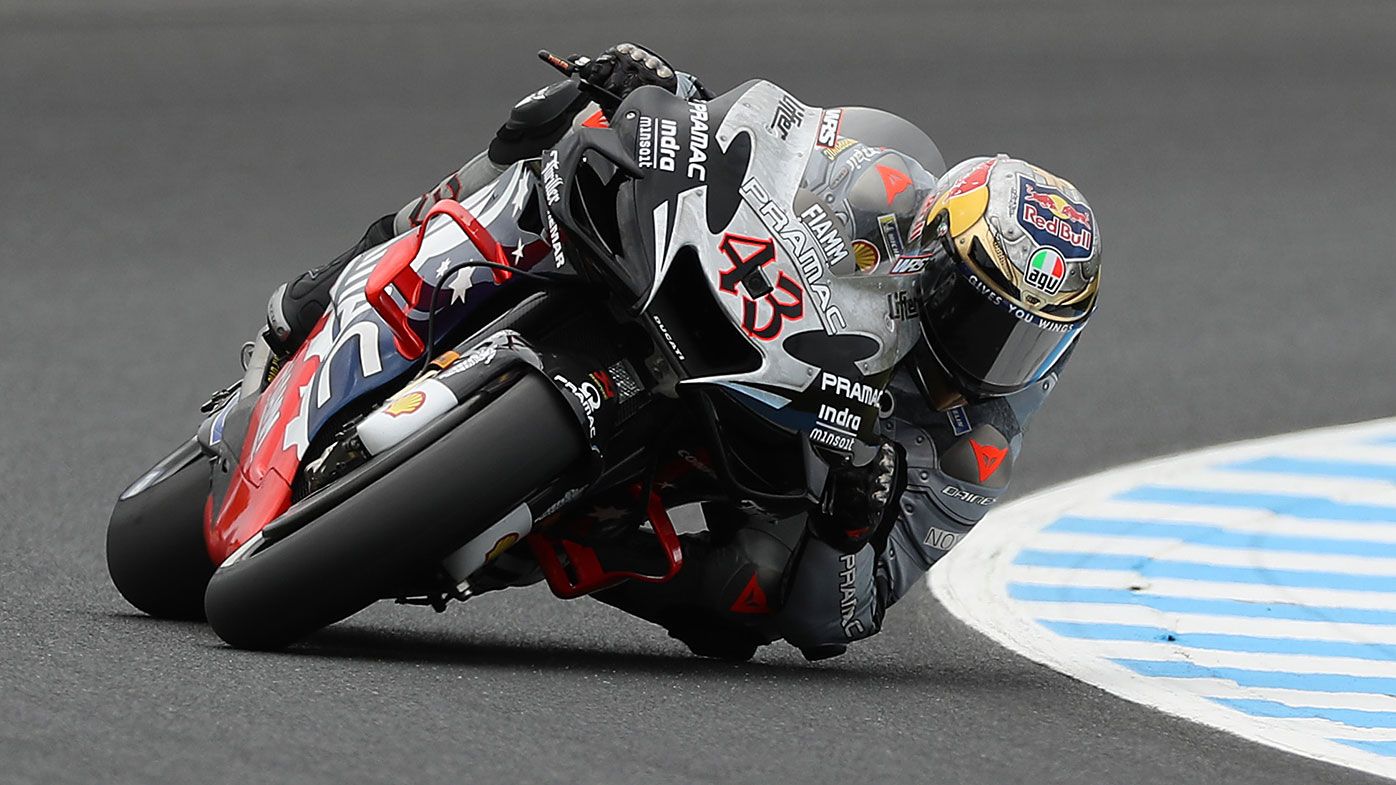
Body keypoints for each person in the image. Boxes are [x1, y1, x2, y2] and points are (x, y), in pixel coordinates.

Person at [264, 44, 1102, 661]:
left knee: (750, 599)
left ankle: (575, 535)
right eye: (982, 314)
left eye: (1028, 337)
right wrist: (675, 92)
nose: (993, 352)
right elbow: (774, 142)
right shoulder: (885, 192)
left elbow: (843, 614)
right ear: (934, 254)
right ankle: (348, 271)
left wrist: (851, 522)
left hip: (753, 454)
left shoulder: (976, 437)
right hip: (715, 299)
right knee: (565, 120)